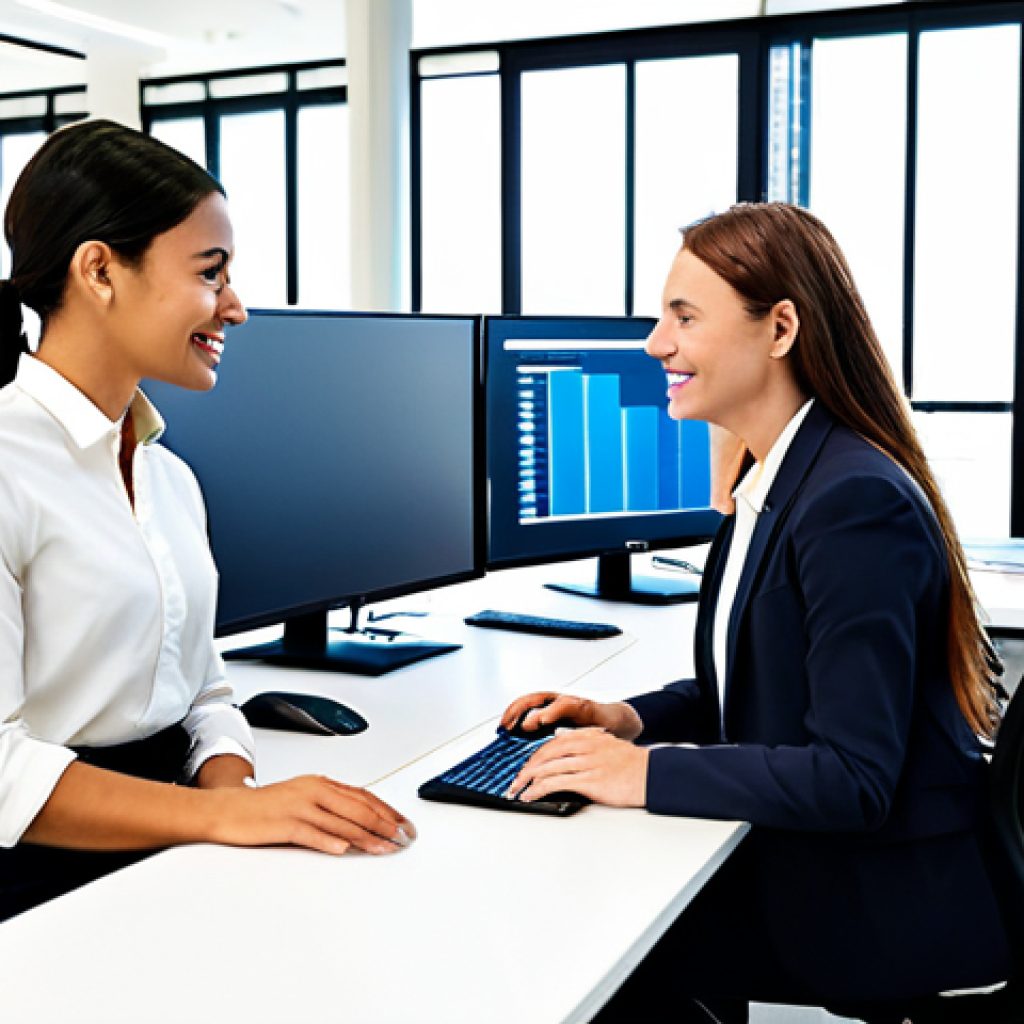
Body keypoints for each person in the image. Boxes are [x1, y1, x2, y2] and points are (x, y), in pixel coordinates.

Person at [502, 202, 1011, 1021]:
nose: (655, 343)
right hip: (827, 868)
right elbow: (764, 687)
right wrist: (628, 718)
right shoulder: (777, 480)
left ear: (779, 329)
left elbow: (853, 779)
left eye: (683, 317)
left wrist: (645, 774)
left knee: (583, 944)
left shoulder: (851, 502)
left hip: (868, 907)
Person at [0, 119, 415, 923]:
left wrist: (238, 797)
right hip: (38, 894)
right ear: (100, 271)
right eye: (210, 273)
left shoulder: (169, 477)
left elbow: (204, 688)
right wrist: (224, 818)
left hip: (175, 851)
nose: (236, 307)